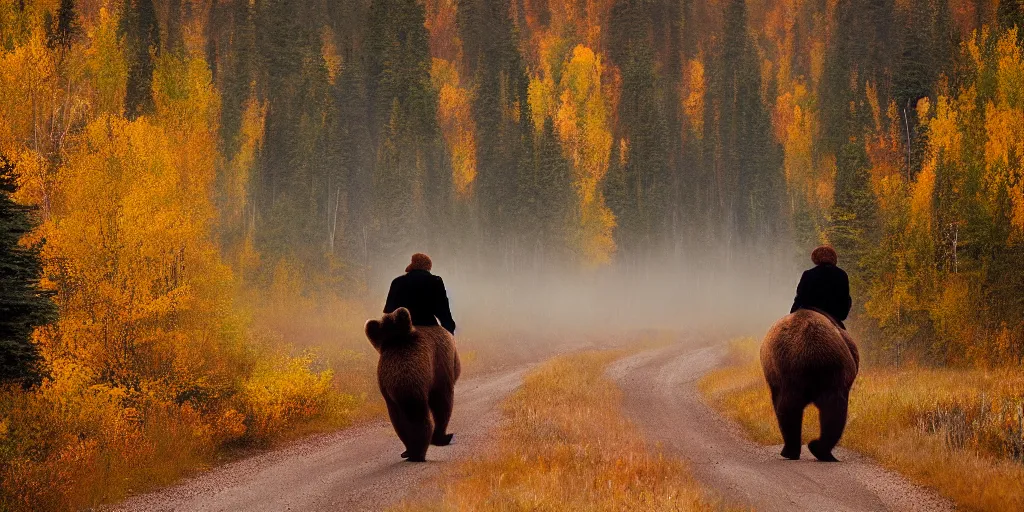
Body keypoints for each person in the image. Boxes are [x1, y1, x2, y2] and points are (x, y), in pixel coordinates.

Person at [384, 253, 456, 335]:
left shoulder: (397, 281)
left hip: (401, 330)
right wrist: (450, 330)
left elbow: (389, 312)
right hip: (427, 328)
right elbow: (443, 311)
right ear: (428, 267)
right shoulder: (435, 281)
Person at [790, 245, 852, 330]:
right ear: (834, 258)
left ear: (815, 259)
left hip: (808, 313)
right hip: (832, 316)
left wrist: (791, 316)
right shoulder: (842, 275)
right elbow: (843, 306)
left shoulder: (808, 274)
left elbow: (799, 298)